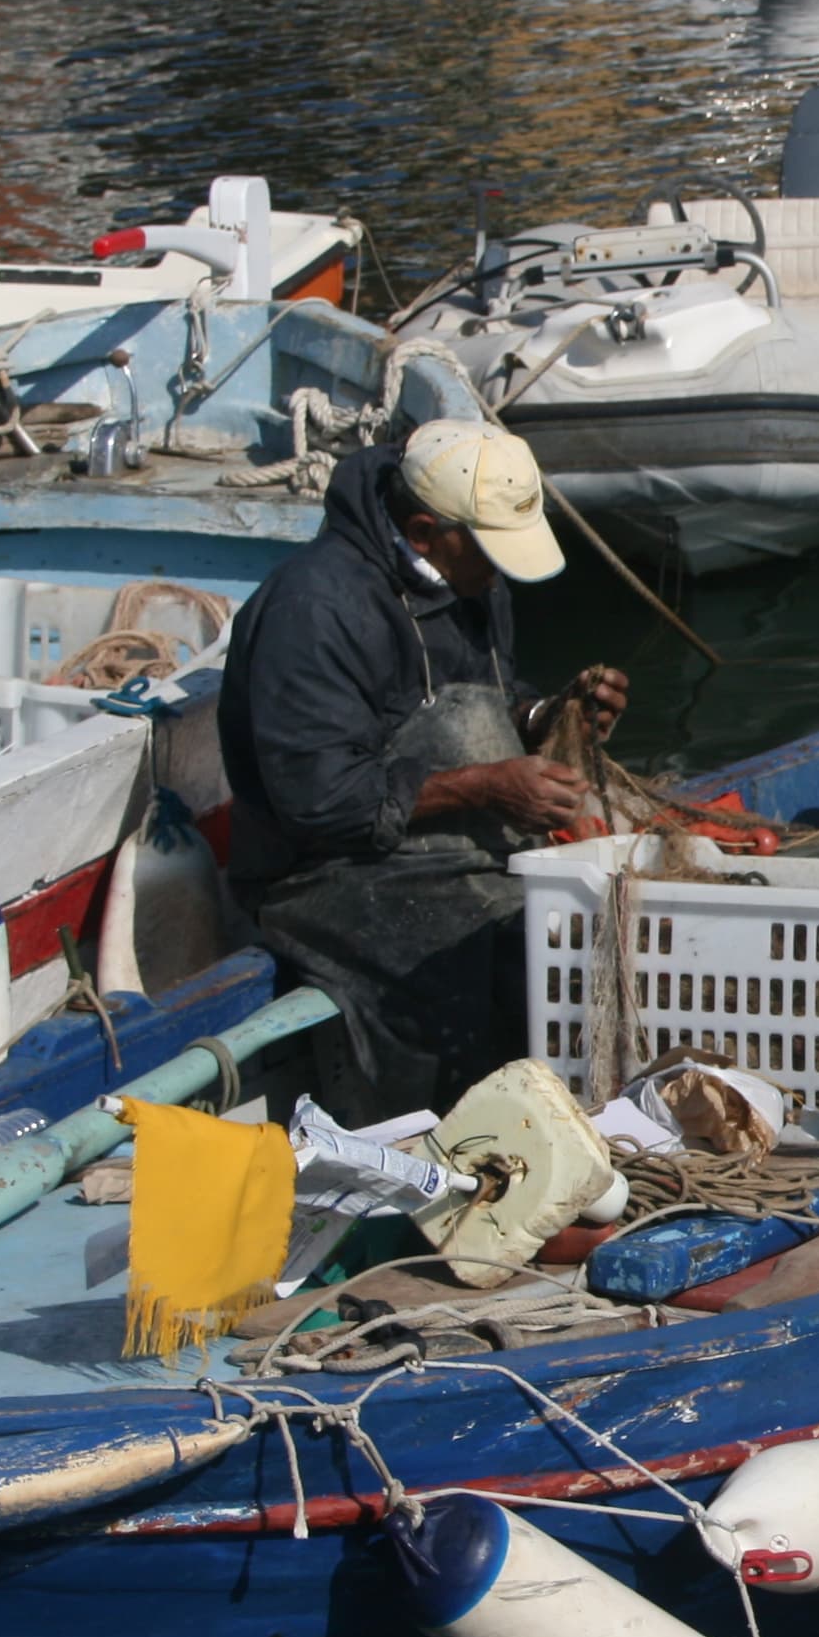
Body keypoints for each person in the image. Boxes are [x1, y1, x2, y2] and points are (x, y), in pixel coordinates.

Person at [219, 420, 629, 1116]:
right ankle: (439, 1150)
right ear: (422, 531)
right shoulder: (314, 610)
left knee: (580, 924)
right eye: (491, 550)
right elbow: (319, 803)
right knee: (478, 965)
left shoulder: (472, 579)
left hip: (461, 849)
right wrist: (489, 787)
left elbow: (482, 700)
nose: (501, 571)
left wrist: (547, 719)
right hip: (328, 875)